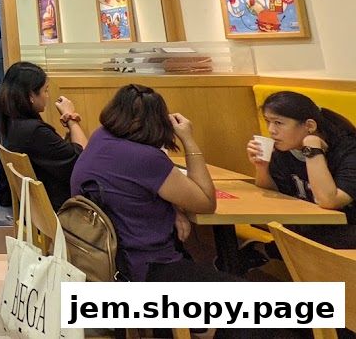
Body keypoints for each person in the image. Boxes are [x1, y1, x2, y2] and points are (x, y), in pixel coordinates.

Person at [70, 84, 241, 284]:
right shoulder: (147, 159)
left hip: (99, 261)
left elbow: (126, 191)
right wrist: (188, 139)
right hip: (144, 268)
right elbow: (206, 202)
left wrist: (172, 207)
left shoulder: (101, 137)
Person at [247, 91, 356, 248]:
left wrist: (312, 148)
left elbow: (329, 201)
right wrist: (262, 167)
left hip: (347, 228)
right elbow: (273, 194)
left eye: (278, 123)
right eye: (267, 121)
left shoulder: (347, 150)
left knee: (303, 236)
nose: (271, 130)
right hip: (313, 226)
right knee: (289, 230)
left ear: (310, 126)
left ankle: (264, 251)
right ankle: (263, 251)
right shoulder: (283, 150)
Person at [0, 61, 86, 209]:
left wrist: (68, 134)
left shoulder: (12, 123)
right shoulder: (34, 131)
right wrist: (71, 118)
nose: (47, 96)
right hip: (55, 210)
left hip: (32, 209)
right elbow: (83, 157)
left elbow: (60, 153)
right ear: (31, 95)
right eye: (45, 90)